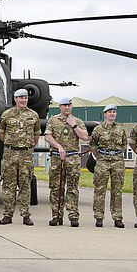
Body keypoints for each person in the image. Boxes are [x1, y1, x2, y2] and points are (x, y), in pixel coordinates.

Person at [0, 89, 41, 226]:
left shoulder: (33, 115)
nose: (23, 100)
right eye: (21, 98)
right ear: (15, 99)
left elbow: (36, 134)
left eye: (25, 98)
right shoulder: (7, 114)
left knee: (25, 185)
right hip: (10, 154)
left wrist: (26, 146)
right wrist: (11, 144)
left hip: (26, 155)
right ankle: (7, 215)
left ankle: (26, 215)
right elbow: (0, 132)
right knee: (8, 185)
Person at [44, 97, 88, 227]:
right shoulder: (53, 120)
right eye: (64, 105)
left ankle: (73, 215)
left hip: (73, 158)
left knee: (72, 188)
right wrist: (58, 146)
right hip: (58, 157)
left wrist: (74, 125)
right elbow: (47, 136)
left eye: (69, 105)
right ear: (60, 107)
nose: (67, 108)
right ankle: (56, 216)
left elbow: (85, 136)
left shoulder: (77, 121)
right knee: (56, 187)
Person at [90, 104, 127, 228]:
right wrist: (101, 156)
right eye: (110, 112)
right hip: (102, 161)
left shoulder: (120, 128)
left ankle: (117, 217)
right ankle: (99, 217)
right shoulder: (98, 129)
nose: (112, 114)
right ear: (105, 114)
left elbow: (124, 145)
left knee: (117, 190)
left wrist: (116, 155)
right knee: (100, 190)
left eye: (114, 112)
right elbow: (93, 145)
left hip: (117, 161)